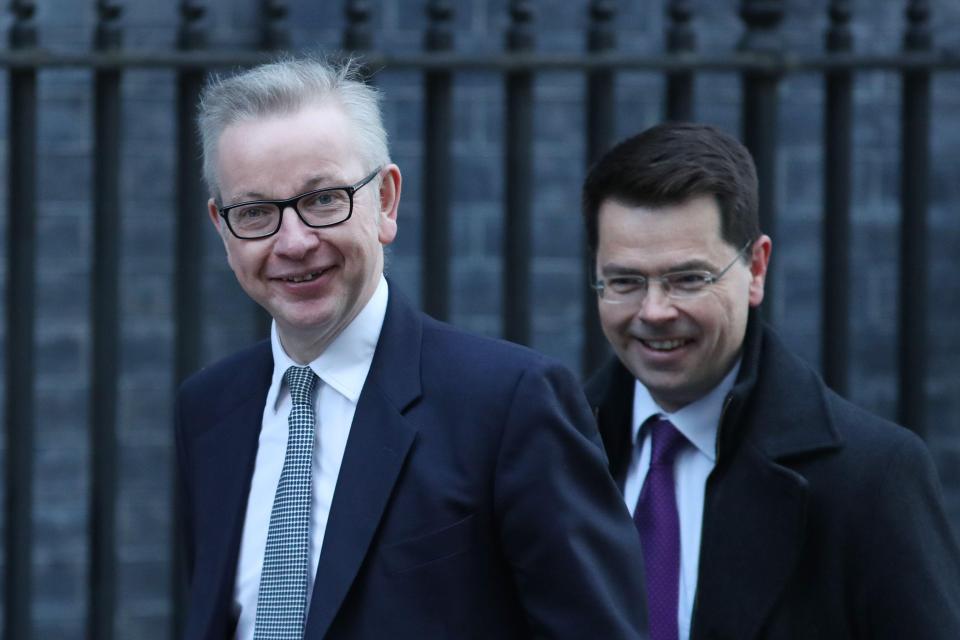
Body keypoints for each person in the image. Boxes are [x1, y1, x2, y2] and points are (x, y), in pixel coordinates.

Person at [175, 56, 647, 640]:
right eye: (255, 212)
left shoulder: (510, 405)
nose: (292, 242)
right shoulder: (208, 410)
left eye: (323, 199)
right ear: (222, 229)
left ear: (387, 201)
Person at [581, 121, 960, 640]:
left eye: (688, 279)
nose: (654, 311)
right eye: (625, 281)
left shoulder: (873, 477)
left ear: (756, 270)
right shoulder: (555, 449)